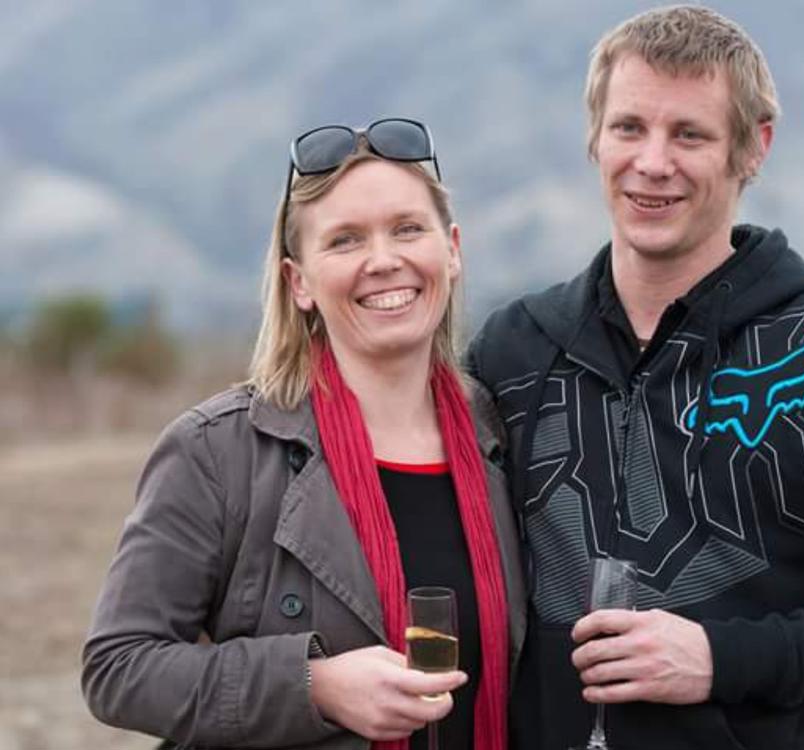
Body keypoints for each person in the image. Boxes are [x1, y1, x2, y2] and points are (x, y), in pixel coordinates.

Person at [466, 6, 804, 749]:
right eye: (629, 127)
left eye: (690, 135)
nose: (653, 162)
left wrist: (720, 659)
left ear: (753, 147)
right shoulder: (513, 349)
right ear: (594, 137)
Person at [82, 118, 525, 750]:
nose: (383, 260)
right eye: (345, 240)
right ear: (300, 283)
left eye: (407, 229)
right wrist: (313, 685)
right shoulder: (218, 450)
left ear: (451, 250)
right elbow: (118, 667)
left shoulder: (506, 433)